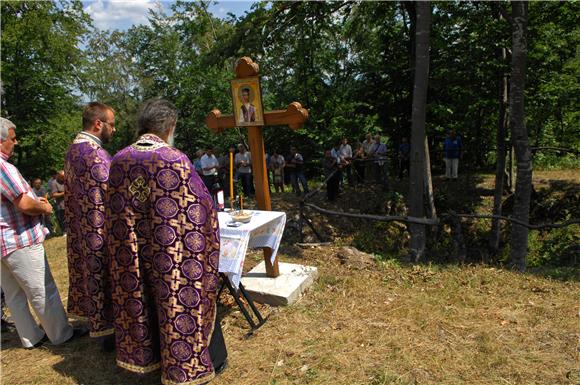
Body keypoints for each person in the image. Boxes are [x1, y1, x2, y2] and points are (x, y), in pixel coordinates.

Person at [105, 99, 226, 384]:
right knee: (178, 299)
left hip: (132, 253)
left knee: (142, 299)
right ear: (170, 126)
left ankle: (148, 358)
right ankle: (185, 363)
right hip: (169, 252)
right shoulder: (173, 158)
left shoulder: (119, 159)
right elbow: (201, 207)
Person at [0, 117, 84, 348]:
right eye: (12, 139)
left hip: (2, 243)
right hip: (19, 240)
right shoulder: (3, 166)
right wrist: (44, 207)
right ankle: (61, 334)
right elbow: (24, 205)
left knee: (14, 295)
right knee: (41, 289)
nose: (15, 143)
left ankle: (31, 338)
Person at [64, 102, 116, 351]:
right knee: (107, 279)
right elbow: (114, 192)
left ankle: (100, 328)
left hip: (81, 230)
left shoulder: (73, 151)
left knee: (93, 278)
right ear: (98, 124)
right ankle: (112, 334)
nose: (114, 130)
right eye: (112, 124)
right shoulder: (96, 155)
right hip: (101, 231)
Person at [51, 170, 66, 234]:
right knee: (62, 219)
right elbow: (54, 195)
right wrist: (64, 193)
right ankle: (64, 232)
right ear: (58, 176)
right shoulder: (54, 183)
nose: (63, 178)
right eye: (62, 177)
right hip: (61, 204)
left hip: (69, 204)